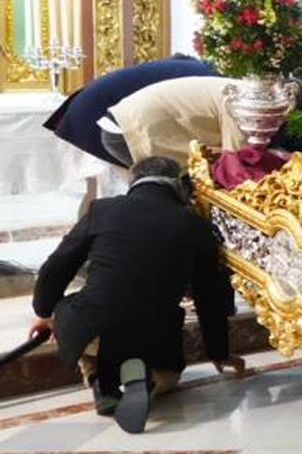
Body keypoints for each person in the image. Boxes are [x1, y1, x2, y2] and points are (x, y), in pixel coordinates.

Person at [28, 156, 243, 433]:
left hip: (94, 329)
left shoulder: (102, 210)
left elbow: (55, 269)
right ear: (178, 186)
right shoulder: (195, 226)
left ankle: (100, 383)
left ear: (133, 182)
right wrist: (219, 352)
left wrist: (45, 313)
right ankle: (151, 379)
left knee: (74, 309)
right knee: (170, 376)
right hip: (154, 336)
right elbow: (210, 296)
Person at [44, 55, 217, 168]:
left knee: (107, 185)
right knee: (134, 182)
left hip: (89, 105)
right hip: (98, 113)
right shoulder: (216, 86)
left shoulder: (198, 70)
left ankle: (96, 220)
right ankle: (105, 220)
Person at [103, 74, 248, 164]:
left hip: (124, 119)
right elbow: (236, 163)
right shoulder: (247, 103)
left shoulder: (243, 90)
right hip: (133, 128)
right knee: (165, 187)